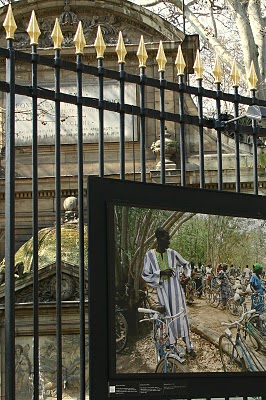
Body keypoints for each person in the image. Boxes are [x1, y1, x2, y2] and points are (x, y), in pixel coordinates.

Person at [142, 227, 196, 358]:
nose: (169, 242)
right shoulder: (149, 255)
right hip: (163, 294)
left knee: (181, 318)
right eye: (167, 239)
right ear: (160, 239)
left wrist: (186, 276)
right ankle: (172, 347)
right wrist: (160, 273)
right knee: (168, 319)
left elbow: (186, 264)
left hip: (177, 293)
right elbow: (145, 274)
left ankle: (189, 347)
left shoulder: (172, 253)